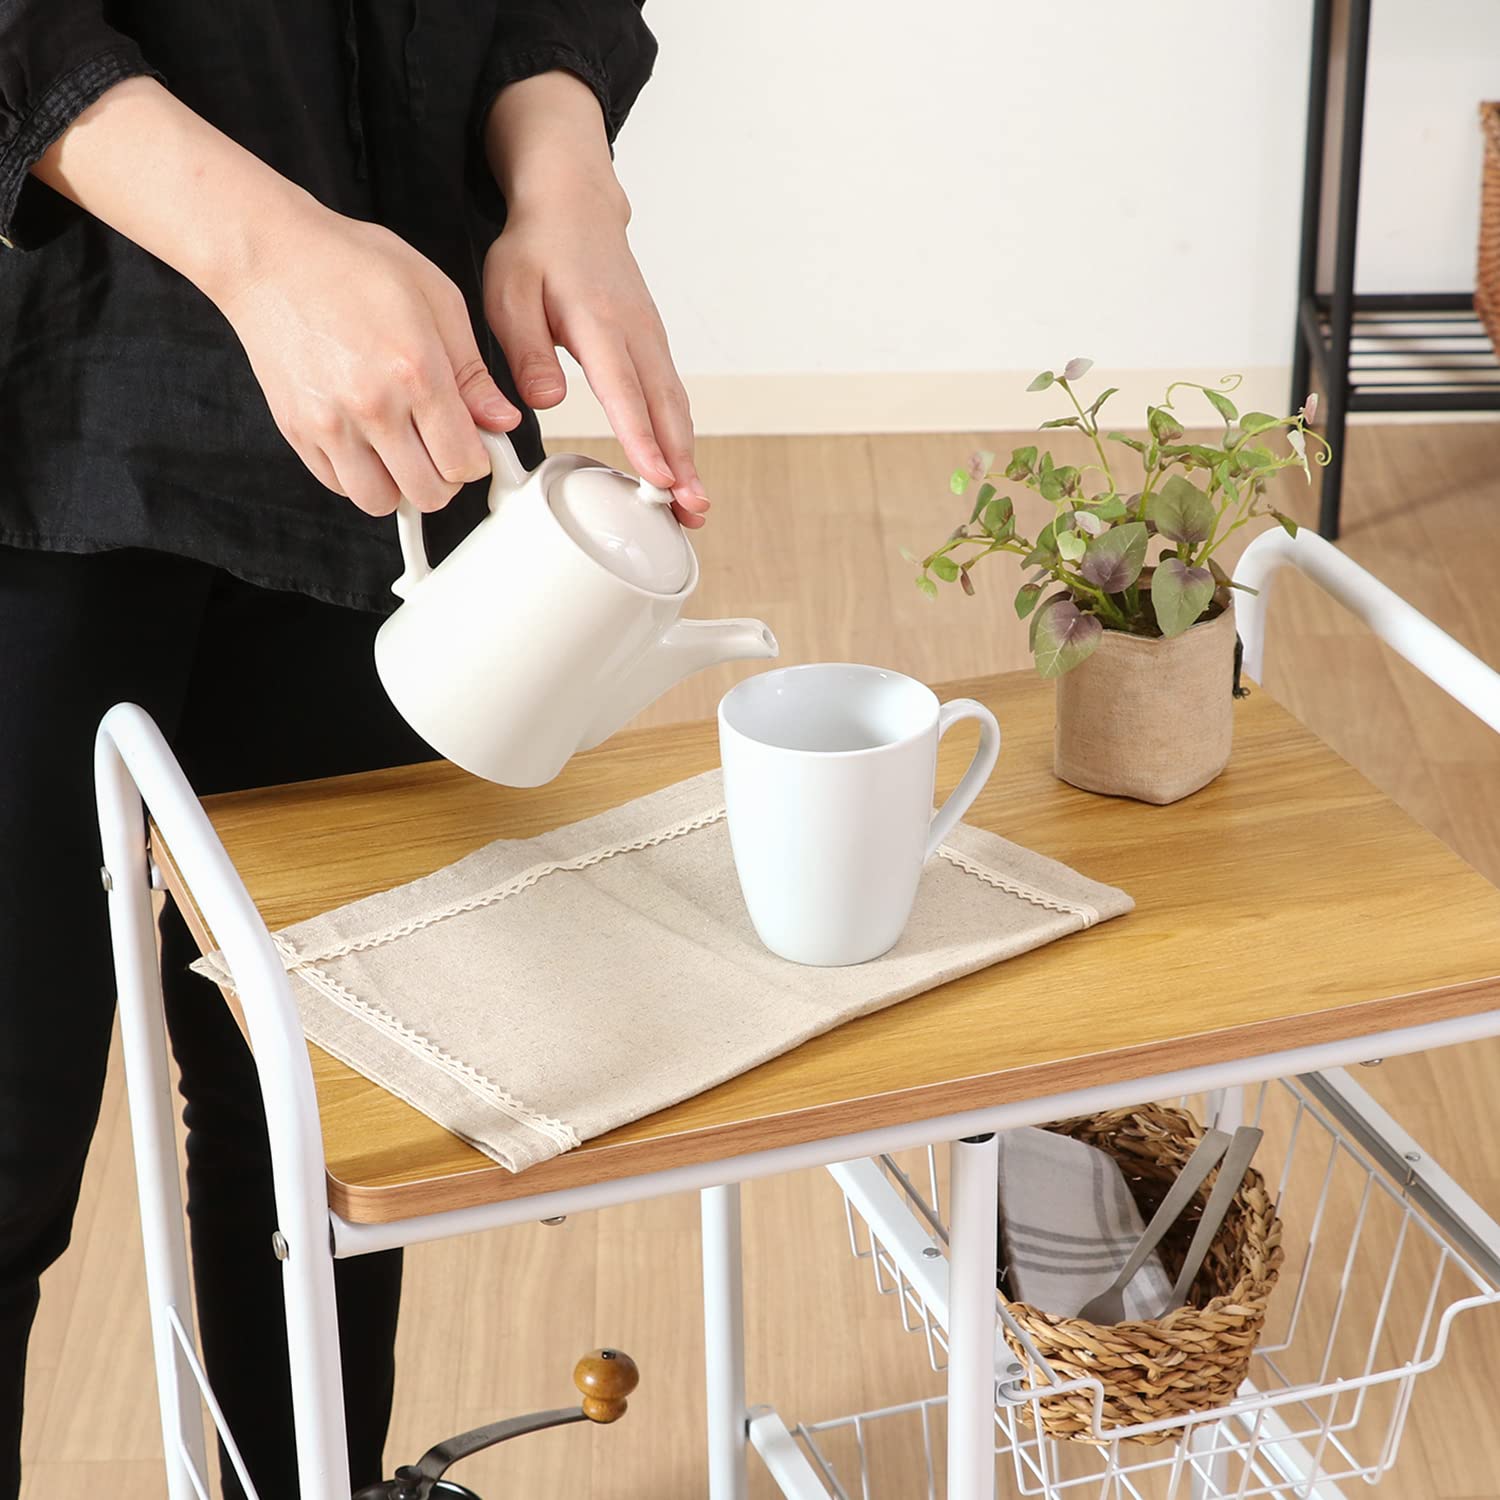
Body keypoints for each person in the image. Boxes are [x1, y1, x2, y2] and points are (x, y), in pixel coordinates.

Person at [0, 3, 705, 1496]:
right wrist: (264, 253)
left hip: (377, 427)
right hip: (36, 401)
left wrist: (564, 168)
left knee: (313, 1120)